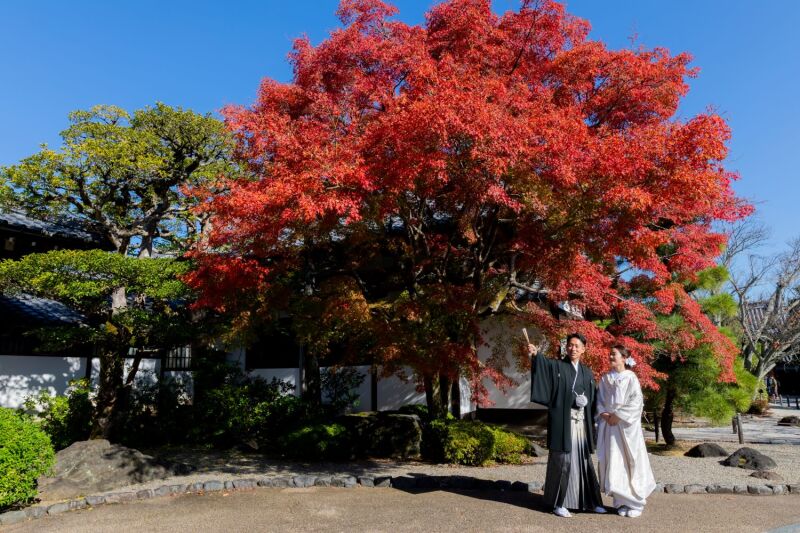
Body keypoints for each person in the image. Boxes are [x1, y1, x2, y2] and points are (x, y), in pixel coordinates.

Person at [528, 333, 606, 518]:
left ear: (584, 349)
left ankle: (590, 502)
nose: (573, 348)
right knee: (563, 461)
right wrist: (535, 355)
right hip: (563, 422)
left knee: (583, 461)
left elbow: (594, 398)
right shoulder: (557, 366)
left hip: (582, 423)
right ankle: (558, 503)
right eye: (570, 345)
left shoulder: (587, 372)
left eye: (577, 346)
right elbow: (542, 364)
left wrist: (587, 401)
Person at [596, 345, 656, 518]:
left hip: (626, 427)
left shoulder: (631, 377)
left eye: (614, 354)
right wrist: (605, 414)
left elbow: (637, 401)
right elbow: (599, 400)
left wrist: (619, 415)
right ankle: (620, 501)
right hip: (610, 426)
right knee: (613, 461)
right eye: (610, 354)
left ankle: (636, 502)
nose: (610, 356)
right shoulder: (605, 378)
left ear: (624, 358)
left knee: (631, 460)